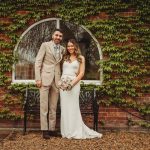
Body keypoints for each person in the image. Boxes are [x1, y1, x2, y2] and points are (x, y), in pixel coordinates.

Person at [60, 39, 102, 139]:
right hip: (63, 85)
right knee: (65, 108)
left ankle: (75, 131)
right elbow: (62, 71)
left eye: (71, 46)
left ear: (75, 46)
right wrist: (61, 82)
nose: (70, 48)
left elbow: (81, 73)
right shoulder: (65, 57)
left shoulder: (81, 58)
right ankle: (66, 132)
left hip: (74, 84)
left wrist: (71, 84)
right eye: (68, 46)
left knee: (73, 107)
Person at [35, 29, 65, 139]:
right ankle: (44, 130)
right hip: (44, 78)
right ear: (52, 36)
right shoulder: (45, 45)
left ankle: (52, 129)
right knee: (44, 105)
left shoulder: (63, 49)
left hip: (57, 79)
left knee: (53, 106)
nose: (58, 37)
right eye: (56, 35)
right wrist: (38, 78)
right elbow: (38, 61)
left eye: (60, 36)